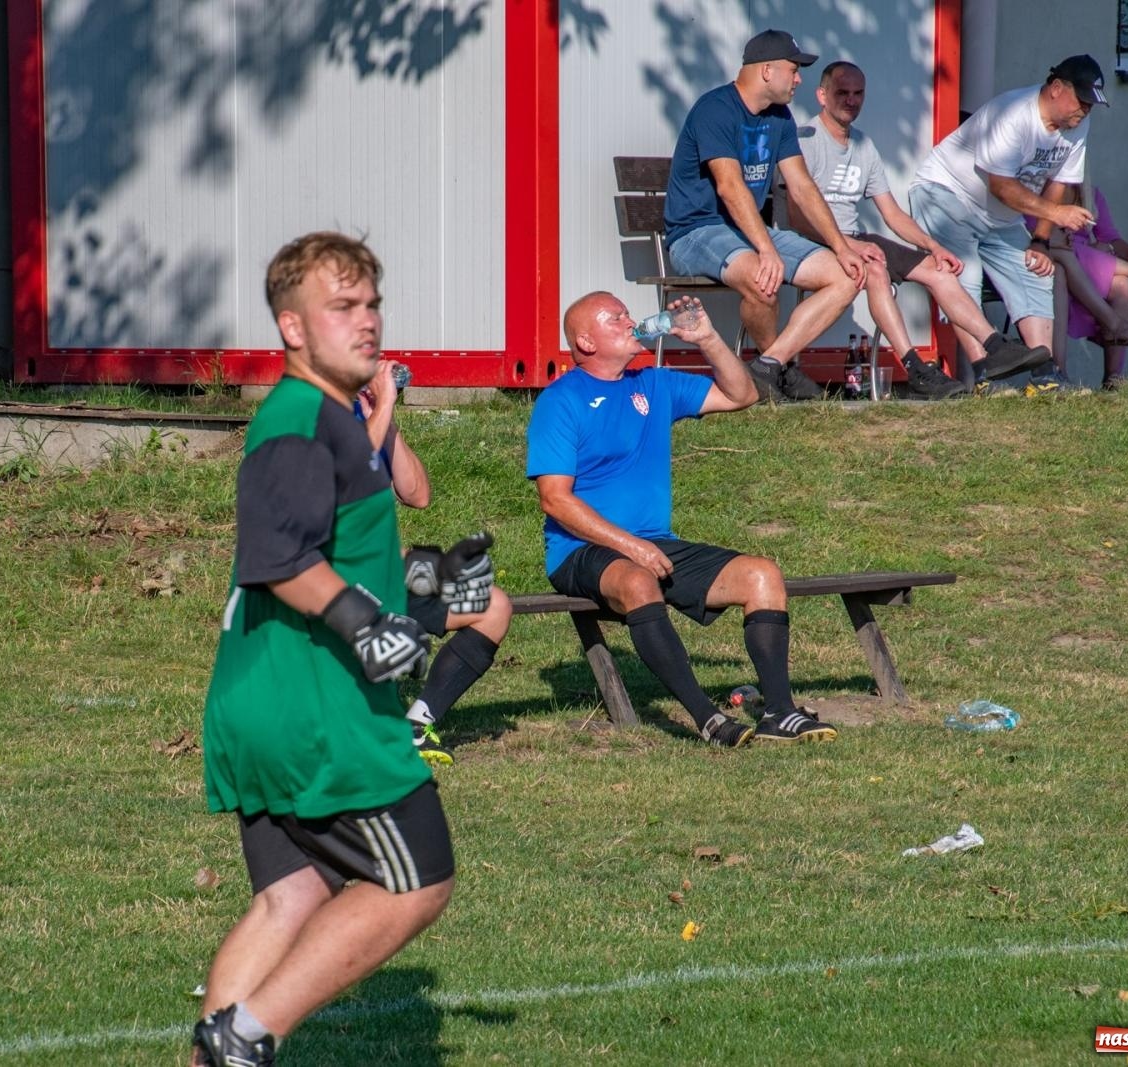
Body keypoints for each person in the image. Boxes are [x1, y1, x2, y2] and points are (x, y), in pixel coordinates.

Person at [193, 233, 454, 1067]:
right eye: (342, 307)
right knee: (418, 877)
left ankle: (214, 1058)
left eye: (371, 303)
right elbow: (279, 556)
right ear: (292, 327)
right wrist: (362, 625)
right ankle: (247, 1034)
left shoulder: (337, 416)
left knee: (292, 896)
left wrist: (428, 588)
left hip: (267, 697)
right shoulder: (301, 415)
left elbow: (337, 547)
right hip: (317, 708)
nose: (366, 321)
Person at [526, 290, 837, 747]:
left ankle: (780, 712)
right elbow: (555, 501)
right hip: (579, 551)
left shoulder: (652, 383)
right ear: (586, 342)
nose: (631, 322)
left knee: (762, 575)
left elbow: (743, 394)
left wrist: (708, 339)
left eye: (629, 314)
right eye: (617, 318)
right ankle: (708, 719)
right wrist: (632, 546)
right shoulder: (561, 401)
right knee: (637, 581)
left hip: (654, 543)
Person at [792, 61, 1053, 399]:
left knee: (940, 271)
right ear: (822, 95)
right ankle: (915, 368)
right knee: (876, 270)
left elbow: (893, 214)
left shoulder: (863, 145)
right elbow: (795, 218)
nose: (851, 100)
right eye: (842, 93)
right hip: (818, 240)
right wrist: (844, 244)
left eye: (858, 93)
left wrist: (933, 246)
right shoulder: (805, 140)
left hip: (855, 238)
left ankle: (993, 349)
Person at [663, 28, 866, 404]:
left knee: (845, 276)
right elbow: (730, 186)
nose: (799, 79)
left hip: (746, 232)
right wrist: (765, 250)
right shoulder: (715, 109)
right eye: (794, 69)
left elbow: (802, 185)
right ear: (768, 71)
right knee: (763, 278)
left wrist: (842, 246)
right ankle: (782, 372)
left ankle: (769, 366)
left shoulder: (779, 116)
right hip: (696, 232)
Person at [907, 55, 1109, 392]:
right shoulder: (1012, 113)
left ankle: (1044, 375)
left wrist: (1041, 240)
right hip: (947, 195)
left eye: (1091, 105)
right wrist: (1057, 215)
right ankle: (986, 373)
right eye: (1082, 101)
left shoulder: (1077, 125)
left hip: (1001, 215)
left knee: (1036, 272)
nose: (1085, 111)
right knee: (961, 276)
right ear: (1056, 88)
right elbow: (1000, 185)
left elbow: (1058, 180)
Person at [355, 358, 513, 765]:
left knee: (493, 606)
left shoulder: (367, 414)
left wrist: (384, 419)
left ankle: (416, 725)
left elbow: (417, 495)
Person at [1039, 181, 1128, 390]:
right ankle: (1059, 371)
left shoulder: (1089, 193)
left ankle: (1113, 379)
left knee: (1121, 285)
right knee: (1061, 266)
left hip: (1084, 265)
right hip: (1051, 256)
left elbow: (1110, 237)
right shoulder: (1037, 188)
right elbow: (1032, 232)